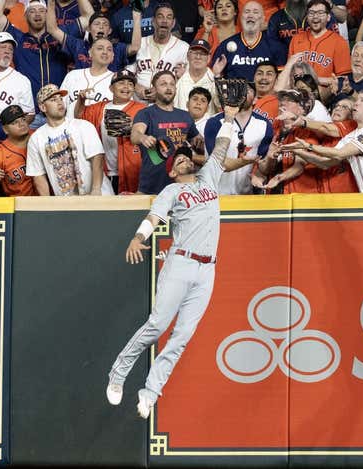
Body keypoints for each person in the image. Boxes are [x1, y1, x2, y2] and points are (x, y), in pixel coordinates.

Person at [106, 103, 251, 419]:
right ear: (172, 169)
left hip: (207, 268)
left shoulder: (208, 179)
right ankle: (119, 371)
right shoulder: (171, 191)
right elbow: (153, 218)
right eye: (179, 158)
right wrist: (137, 238)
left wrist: (227, 117)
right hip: (181, 263)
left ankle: (150, 392)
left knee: (182, 336)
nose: (185, 158)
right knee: (158, 324)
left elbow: (221, 146)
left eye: (188, 156)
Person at [281, 90, 363, 193]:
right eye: (357, 100)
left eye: (362, 100)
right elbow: (325, 162)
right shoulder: (352, 136)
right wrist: (299, 151)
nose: (356, 103)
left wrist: (309, 145)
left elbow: (340, 153)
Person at [26, 84, 113, 196]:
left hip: (100, 196)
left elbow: (97, 158)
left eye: (61, 99)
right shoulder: (36, 138)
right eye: (53, 100)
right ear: (43, 107)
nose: (59, 102)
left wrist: (96, 190)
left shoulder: (83, 125)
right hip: (67, 205)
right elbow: (38, 175)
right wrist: (47, 204)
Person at [0, 0, 72, 113]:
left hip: (60, 108)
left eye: (41, 10)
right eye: (32, 11)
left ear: (48, 14)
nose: (37, 14)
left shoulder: (60, 37)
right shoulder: (18, 38)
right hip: (30, 111)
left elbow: (87, 18)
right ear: (25, 15)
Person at [76, 70, 147, 194]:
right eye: (121, 83)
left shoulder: (142, 109)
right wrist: (81, 100)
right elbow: (79, 116)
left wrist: (132, 128)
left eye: (130, 84)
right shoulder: (100, 108)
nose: (126, 87)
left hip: (132, 169)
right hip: (105, 170)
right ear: (111, 88)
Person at [131, 70, 200, 195]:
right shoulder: (145, 113)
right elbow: (135, 134)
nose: (168, 88)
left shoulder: (185, 116)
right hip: (151, 187)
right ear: (154, 89)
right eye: (163, 84)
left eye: (172, 84)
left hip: (183, 188)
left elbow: (198, 142)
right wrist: (143, 138)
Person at [204, 80, 272, 194]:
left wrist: (270, 159)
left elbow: (263, 167)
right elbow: (216, 162)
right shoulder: (214, 122)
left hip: (247, 195)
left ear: (255, 99)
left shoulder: (264, 125)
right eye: (239, 89)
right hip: (215, 194)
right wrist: (243, 162)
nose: (243, 92)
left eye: (248, 90)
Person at [45, 4, 140, 73]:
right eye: (97, 24)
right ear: (89, 29)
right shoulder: (78, 45)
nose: (101, 27)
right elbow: (52, 29)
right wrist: (51, 2)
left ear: (110, 30)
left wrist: (136, 19)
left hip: (108, 94)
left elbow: (135, 47)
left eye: (105, 24)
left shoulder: (117, 48)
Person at [127, 3, 190, 101]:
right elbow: (127, 73)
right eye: (160, 17)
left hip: (166, 105)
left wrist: (182, 77)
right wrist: (136, 87)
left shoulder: (183, 48)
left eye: (169, 17)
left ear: (173, 23)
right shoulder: (140, 43)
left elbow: (189, 81)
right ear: (153, 21)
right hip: (138, 103)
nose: (164, 21)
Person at [210, 1, 284, 81]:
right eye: (247, 12)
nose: (250, 15)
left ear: (263, 19)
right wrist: (216, 75)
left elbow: (281, 81)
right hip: (233, 92)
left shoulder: (276, 47)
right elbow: (215, 78)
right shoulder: (225, 46)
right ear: (241, 18)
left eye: (255, 12)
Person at [287, 0, 351, 84]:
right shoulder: (296, 39)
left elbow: (344, 80)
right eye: (311, 13)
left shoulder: (339, 42)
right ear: (307, 17)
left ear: (328, 17)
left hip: (327, 92)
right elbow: (289, 72)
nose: (315, 17)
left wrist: (314, 80)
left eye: (320, 13)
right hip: (297, 92)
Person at [60, 38, 116, 119]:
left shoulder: (117, 81)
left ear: (113, 56)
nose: (105, 52)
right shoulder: (73, 75)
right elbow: (60, 106)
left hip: (99, 130)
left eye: (109, 49)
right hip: (70, 129)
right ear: (90, 53)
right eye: (100, 48)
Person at [174, 39, 217, 116]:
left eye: (203, 53)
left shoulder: (214, 80)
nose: (198, 57)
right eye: (195, 53)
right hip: (181, 126)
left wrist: (217, 78)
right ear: (188, 55)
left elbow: (220, 106)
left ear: (209, 58)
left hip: (206, 126)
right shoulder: (177, 78)